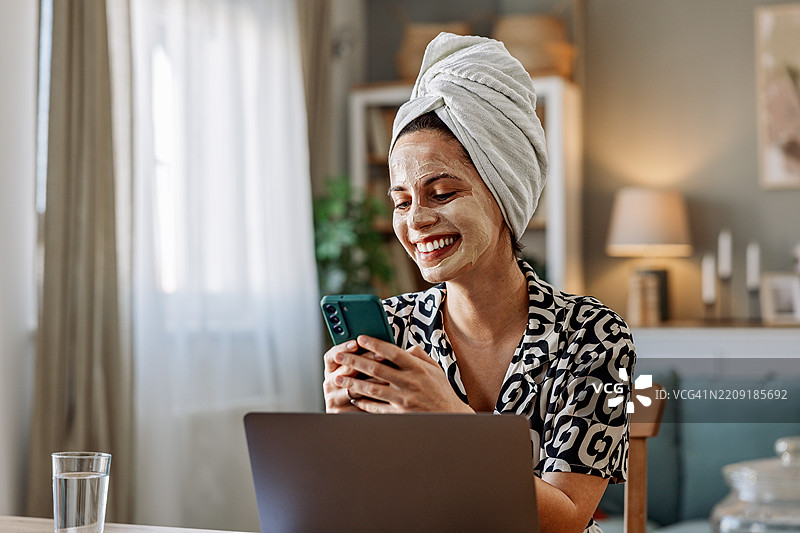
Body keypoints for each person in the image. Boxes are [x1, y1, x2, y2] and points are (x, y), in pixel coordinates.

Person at [322, 33, 635, 533]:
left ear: (504, 194)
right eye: (402, 201)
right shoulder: (393, 329)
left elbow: (567, 519)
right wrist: (345, 438)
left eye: (442, 193)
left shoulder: (594, 335)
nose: (416, 220)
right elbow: (367, 506)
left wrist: (449, 418)